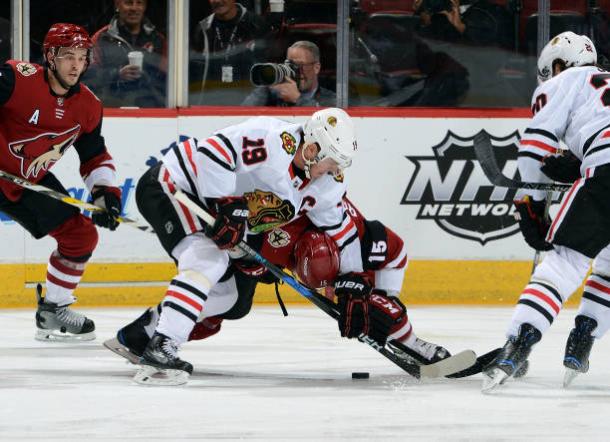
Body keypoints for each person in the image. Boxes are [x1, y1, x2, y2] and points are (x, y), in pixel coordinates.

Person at [105, 196, 451, 368]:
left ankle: (412, 342)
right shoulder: (276, 216)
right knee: (229, 300)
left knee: (235, 304)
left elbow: (397, 251)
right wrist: (248, 258)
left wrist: (385, 296)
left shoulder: (356, 239)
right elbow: (235, 220)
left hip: (330, 260)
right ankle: (152, 334)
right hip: (228, 233)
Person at [482, 31, 610, 391]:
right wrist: (577, 163)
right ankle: (583, 338)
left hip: (606, 169)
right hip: (602, 159)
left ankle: (516, 346)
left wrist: (530, 205)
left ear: (557, 65)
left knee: (563, 263)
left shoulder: (564, 81)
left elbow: (534, 146)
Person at [0, 23, 122, 341]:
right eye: (68, 56)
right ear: (50, 57)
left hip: (27, 181)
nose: (76, 65)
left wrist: (104, 193)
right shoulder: (16, 79)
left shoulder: (88, 107)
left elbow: (94, 155)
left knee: (80, 236)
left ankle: (53, 310)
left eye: (82, 57)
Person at [189, 0, 270, 105]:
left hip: (249, 104)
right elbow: (196, 75)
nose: (217, 1)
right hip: (212, 104)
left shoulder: (256, 24)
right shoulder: (203, 29)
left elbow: (266, 71)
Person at [88, 0, 167, 107]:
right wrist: (116, 74)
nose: (134, 8)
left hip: (150, 110)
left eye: (139, 3)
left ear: (145, 6)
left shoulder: (158, 40)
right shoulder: (101, 38)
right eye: (129, 2)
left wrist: (147, 78)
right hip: (111, 109)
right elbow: (89, 78)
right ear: (117, 5)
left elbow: (168, 80)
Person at [242, 40, 337, 107]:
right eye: (290, 64)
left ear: (316, 68)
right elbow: (243, 115)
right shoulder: (272, 95)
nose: (294, 70)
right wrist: (268, 82)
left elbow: (326, 124)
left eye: (300, 64)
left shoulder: (331, 99)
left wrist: (297, 99)